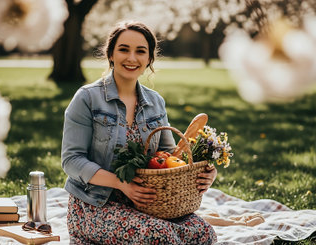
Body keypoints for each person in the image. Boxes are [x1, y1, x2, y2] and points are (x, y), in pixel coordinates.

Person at [61, 20, 218, 244]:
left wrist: (205, 173)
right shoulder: (87, 98)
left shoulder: (155, 102)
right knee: (160, 236)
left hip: (148, 203)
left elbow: (168, 156)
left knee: (203, 234)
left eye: (140, 52)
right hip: (94, 206)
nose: (132, 58)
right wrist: (121, 183)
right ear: (111, 54)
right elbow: (71, 160)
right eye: (123, 49)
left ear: (149, 59)